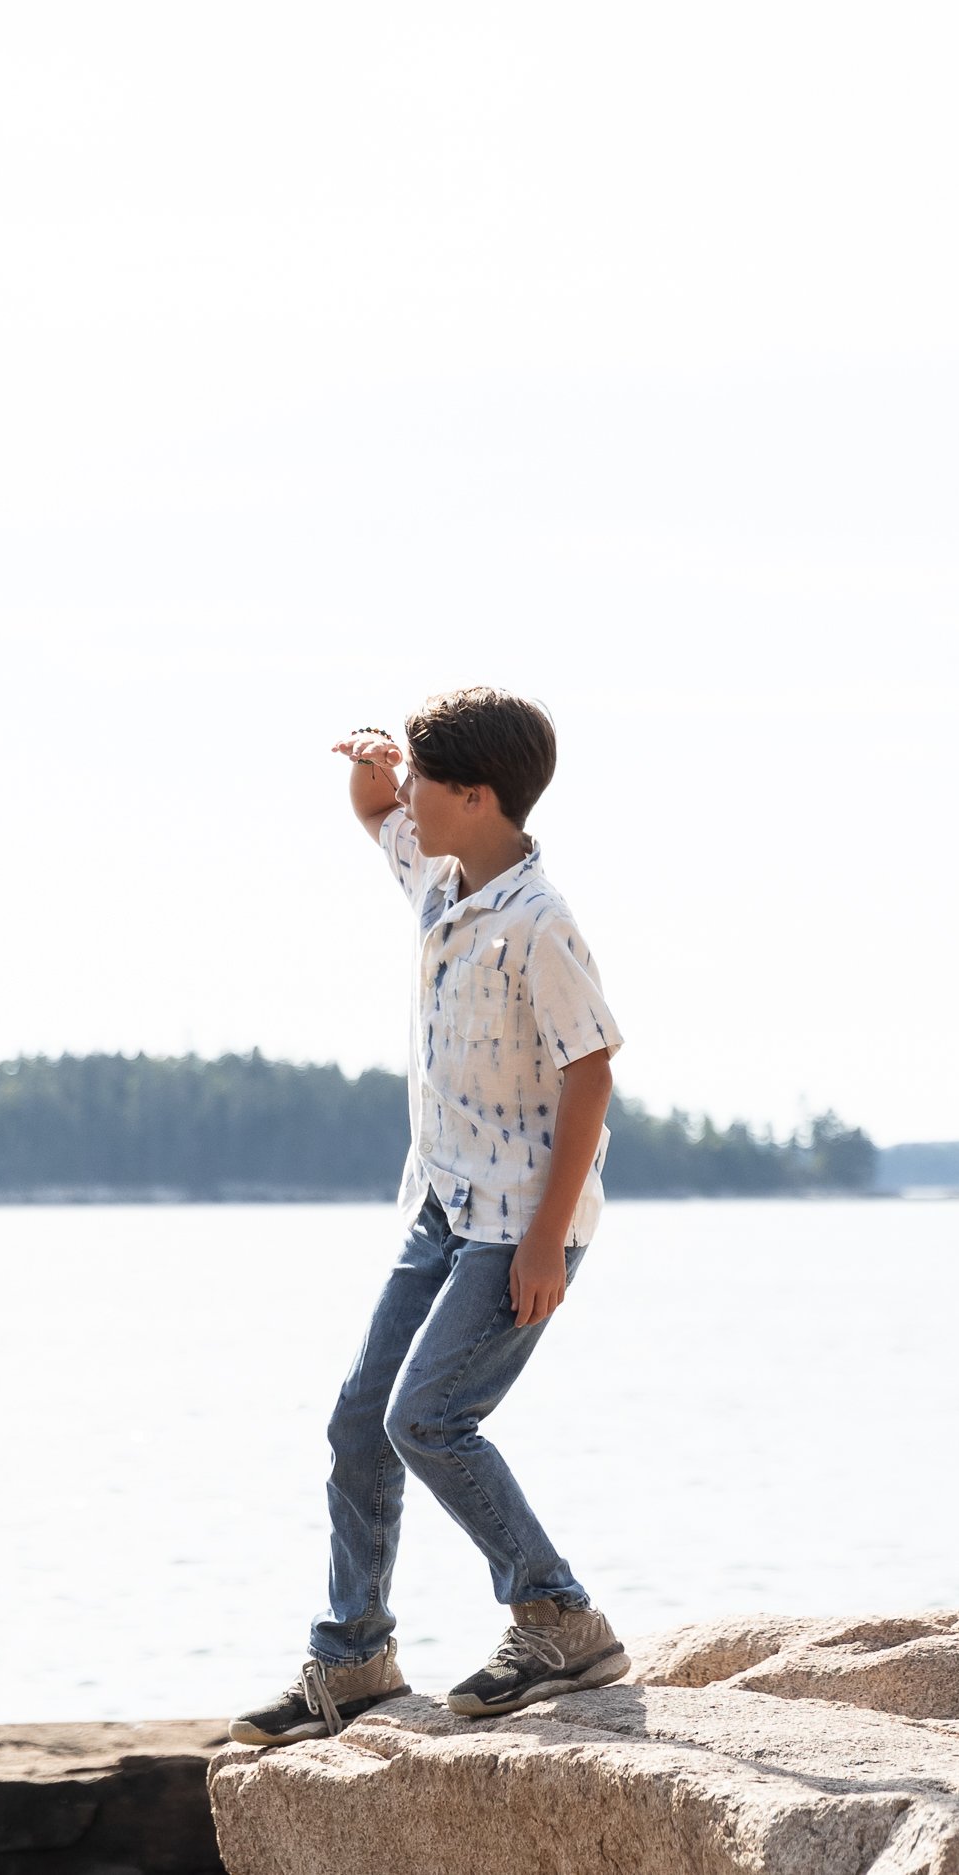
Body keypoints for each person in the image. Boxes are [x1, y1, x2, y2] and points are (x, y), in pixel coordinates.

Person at [232, 686, 629, 1743]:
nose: (404, 797)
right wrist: (371, 774)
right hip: (439, 1211)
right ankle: (351, 1658)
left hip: (518, 1224)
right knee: (360, 1423)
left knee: (429, 1421)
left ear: (477, 795)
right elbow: (377, 819)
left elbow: (591, 1072)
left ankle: (560, 1620)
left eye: (420, 782)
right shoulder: (441, 873)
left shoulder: (540, 923)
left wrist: (545, 1238)